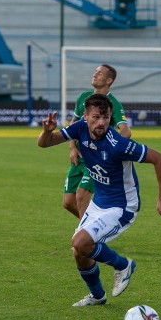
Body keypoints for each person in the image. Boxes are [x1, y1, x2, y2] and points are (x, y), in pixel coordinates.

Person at [38, 93, 161, 306]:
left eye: (106, 117)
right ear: (85, 116)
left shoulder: (118, 144)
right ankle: (98, 296)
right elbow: (44, 144)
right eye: (95, 117)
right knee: (79, 252)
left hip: (122, 207)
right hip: (99, 202)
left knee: (80, 242)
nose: (101, 123)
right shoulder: (79, 128)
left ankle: (123, 265)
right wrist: (46, 131)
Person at [63, 64, 131, 218]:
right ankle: (95, 229)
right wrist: (72, 147)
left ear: (109, 80)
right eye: (95, 71)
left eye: (99, 73)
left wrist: (108, 147)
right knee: (68, 202)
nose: (95, 74)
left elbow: (126, 131)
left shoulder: (113, 103)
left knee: (82, 195)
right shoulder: (83, 97)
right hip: (79, 156)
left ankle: (88, 238)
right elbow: (73, 125)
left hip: (95, 159)